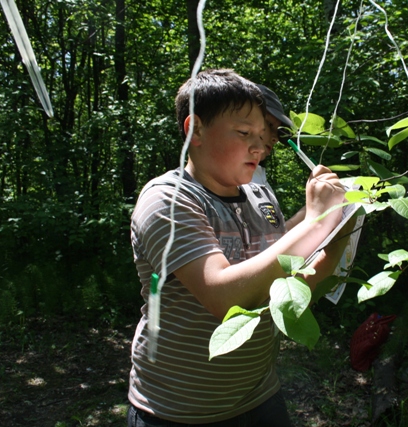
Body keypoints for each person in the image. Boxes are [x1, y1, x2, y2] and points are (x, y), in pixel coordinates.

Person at [127, 68, 353, 426]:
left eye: (263, 137)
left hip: (260, 393)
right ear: (195, 129)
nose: (260, 148)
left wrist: (337, 230)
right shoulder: (167, 201)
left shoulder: (259, 195)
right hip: (181, 411)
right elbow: (223, 297)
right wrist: (315, 220)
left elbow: (281, 276)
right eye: (245, 133)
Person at [252, 84, 305, 230]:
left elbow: (273, 237)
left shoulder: (257, 177)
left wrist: (312, 211)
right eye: (269, 124)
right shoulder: (225, 180)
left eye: (278, 132)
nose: (275, 138)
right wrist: (313, 215)